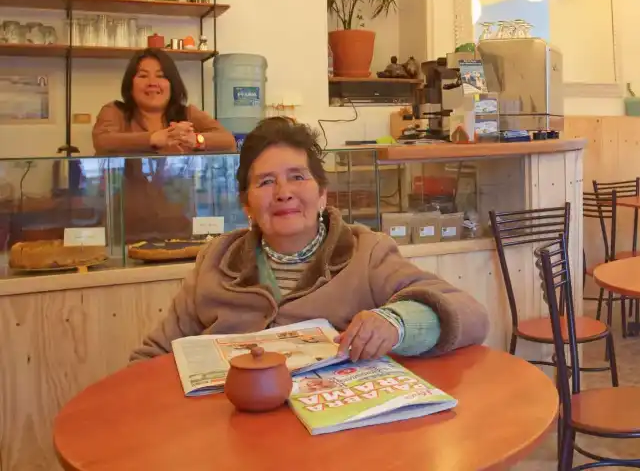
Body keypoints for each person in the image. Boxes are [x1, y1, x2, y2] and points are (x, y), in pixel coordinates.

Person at [130, 117, 490, 362]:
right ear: (246, 204)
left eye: (297, 177)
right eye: (266, 182)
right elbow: (151, 357)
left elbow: (471, 314)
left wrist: (397, 323)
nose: (283, 193)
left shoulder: (366, 252)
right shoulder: (215, 260)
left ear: (322, 195)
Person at [92, 48, 236, 155]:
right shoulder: (115, 111)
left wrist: (195, 139)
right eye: (143, 76)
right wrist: (153, 138)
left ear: (172, 84)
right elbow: (103, 142)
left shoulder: (188, 113)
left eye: (160, 76)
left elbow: (228, 141)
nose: (152, 83)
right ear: (130, 84)